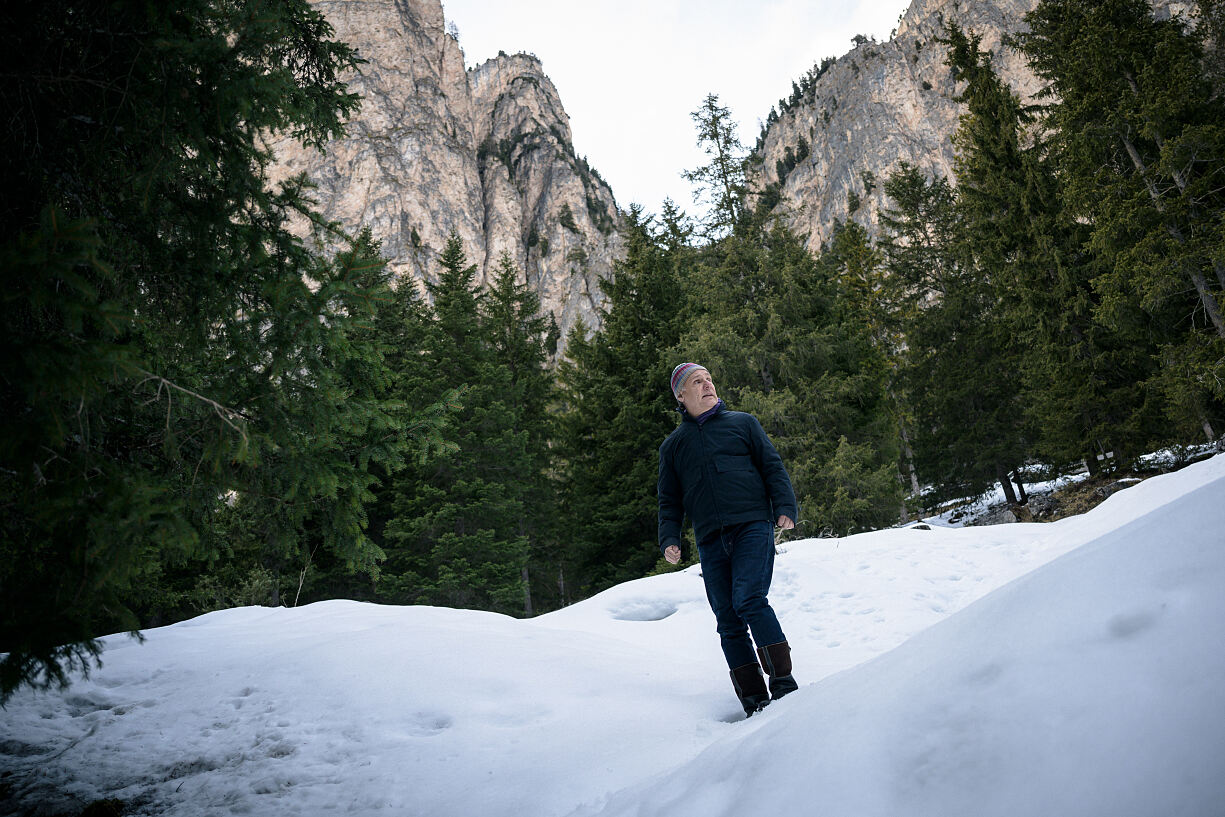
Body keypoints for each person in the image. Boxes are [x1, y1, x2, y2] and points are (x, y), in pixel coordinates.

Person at [657, 362, 800, 716]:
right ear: (681, 395)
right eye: (697, 382)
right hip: (709, 538)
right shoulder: (673, 446)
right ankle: (754, 700)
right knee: (727, 619)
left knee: (749, 599)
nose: (707, 385)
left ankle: (783, 683)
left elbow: (771, 465)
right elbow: (669, 500)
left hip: (752, 523)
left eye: (709, 379)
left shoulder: (743, 423)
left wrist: (784, 505)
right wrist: (669, 538)